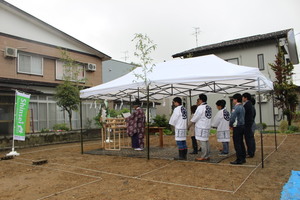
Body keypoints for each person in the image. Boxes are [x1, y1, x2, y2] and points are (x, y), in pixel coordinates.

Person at [191, 94, 212, 162]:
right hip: (207, 126)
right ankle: (207, 155)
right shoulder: (208, 107)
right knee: (206, 141)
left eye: (198, 100)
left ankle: (203, 156)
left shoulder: (200, 107)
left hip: (201, 127)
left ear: (201, 100)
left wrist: (191, 121)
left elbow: (196, 117)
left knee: (202, 142)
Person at [229, 93, 246, 165]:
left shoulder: (236, 108)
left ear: (236, 100)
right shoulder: (242, 107)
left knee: (237, 143)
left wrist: (230, 124)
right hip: (242, 126)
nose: (233, 101)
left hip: (237, 126)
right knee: (241, 142)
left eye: (233, 99)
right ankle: (243, 157)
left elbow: (233, 118)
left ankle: (239, 159)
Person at [242, 93, 255, 158]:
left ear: (245, 98)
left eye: (243, 97)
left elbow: (243, 114)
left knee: (248, 138)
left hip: (248, 124)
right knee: (251, 138)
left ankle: (250, 152)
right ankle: (251, 151)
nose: (242, 98)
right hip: (250, 123)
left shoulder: (247, 105)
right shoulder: (251, 105)